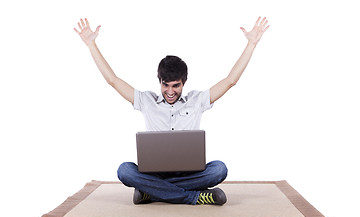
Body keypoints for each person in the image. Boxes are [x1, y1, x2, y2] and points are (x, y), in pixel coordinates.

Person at [74, 17, 269, 205]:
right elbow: (113, 80)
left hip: (190, 173)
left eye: (176, 86)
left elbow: (230, 81)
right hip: (155, 172)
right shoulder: (146, 101)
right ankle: (193, 197)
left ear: (184, 82)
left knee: (219, 169)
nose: (170, 91)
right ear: (159, 81)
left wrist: (251, 44)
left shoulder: (197, 100)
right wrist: (91, 44)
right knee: (125, 171)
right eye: (165, 85)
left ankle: (151, 192)